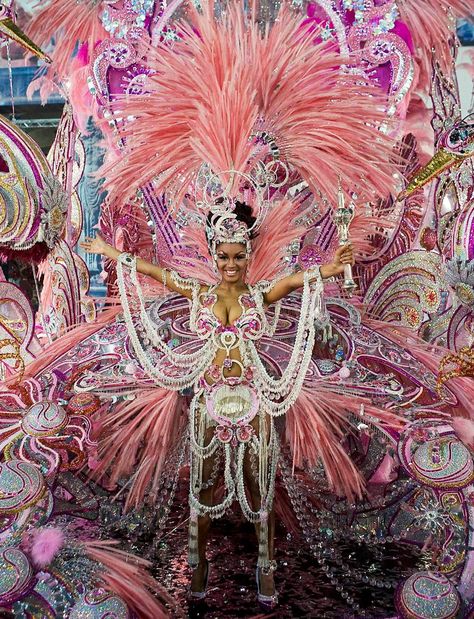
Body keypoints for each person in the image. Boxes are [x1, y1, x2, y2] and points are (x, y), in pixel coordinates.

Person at [80, 200, 354, 608]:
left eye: (239, 256)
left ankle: (266, 565)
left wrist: (331, 268)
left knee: (259, 486)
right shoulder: (199, 293)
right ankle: (198, 563)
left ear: (249, 255)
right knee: (203, 487)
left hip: (253, 398)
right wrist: (110, 253)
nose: (231, 263)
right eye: (224, 256)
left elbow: (297, 281)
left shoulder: (261, 294)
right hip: (208, 402)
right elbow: (156, 272)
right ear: (213, 255)